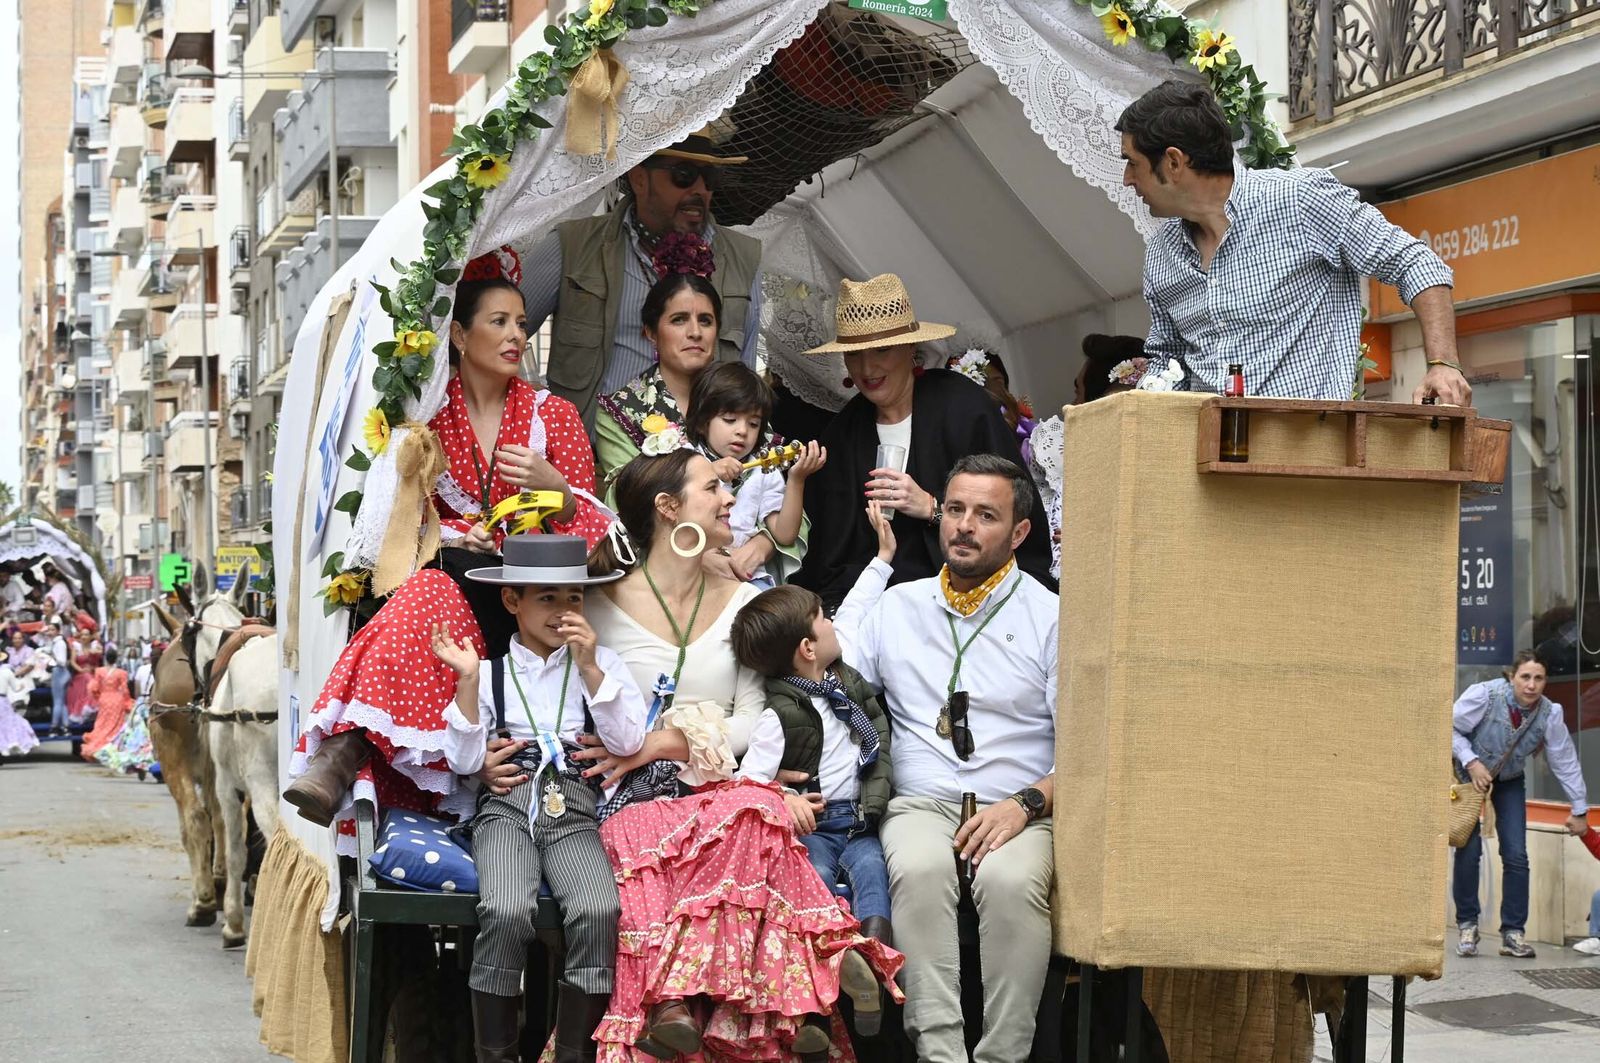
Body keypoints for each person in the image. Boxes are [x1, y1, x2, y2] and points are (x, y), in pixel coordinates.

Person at [546, 450, 901, 1060]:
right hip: (635, 799)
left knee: (751, 820)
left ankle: (770, 1003)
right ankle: (713, 998)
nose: (731, 497)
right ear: (668, 508)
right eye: (713, 487)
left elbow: (754, 720)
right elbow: (574, 707)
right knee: (699, 832)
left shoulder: (744, 602)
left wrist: (666, 741)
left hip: (724, 791)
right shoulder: (596, 603)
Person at [285, 249, 614, 834]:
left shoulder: (554, 416)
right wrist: (461, 534)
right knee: (429, 585)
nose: (516, 336)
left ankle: (341, 753)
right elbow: (396, 532)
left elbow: (595, 539)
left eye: (521, 323)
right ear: (459, 335)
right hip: (453, 600)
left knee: (427, 591)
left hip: (533, 605)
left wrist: (557, 491)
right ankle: (349, 753)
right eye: (499, 322)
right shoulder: (427, 419)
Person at [829, 456, 1057, 1063]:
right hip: (922, 801)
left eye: (986, 515)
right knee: (919, 870)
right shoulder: (898, 607)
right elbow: (833, 681)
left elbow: (1089, 749)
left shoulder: (1052, 617)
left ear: (1019, 533)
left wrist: (1027, 804)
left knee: (1011, 883)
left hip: (1018, 805)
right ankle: (940, 1055)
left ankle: (1004, 1057)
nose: (964, 526)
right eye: (955, 509)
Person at [1116, 79, 1469, 406]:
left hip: (1310, 446)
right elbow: (1168, 359)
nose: (1127, 179)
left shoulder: (1300, 201)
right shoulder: (1161, 253)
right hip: (1210, 451)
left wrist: (1443, 365)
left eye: (1133, 163)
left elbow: (1415, 263)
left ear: (1174, 161)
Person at [431, 535, 648, 1063]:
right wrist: (466, 681)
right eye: (547, 598)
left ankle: (573, 1054)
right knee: (506, 909)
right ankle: (497, 1056)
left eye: (573, 598)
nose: (563, 611)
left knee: (598, 908)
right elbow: (462, 760)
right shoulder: (490, 672)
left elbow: (627, 742)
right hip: (506, 806)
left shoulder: (602, 664)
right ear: (513, 601)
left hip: (574, 810)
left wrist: (591, 666)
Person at [793, 274, 1054, 611]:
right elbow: (828, 556)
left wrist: (932, 508)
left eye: (882, 350)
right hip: (875, 605)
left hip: (970, 593)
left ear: (910, 349)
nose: (867, 368)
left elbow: (1013, 511)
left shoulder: (963, 407)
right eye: (855, 354)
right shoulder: (841, 435)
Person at [523, 128, 764, 427]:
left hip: (701, 454)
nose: (700, 189)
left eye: (710, 178)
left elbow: (746, 387)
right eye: (684, 175)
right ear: (639, 178)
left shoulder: (744, 259)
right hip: (591, 453)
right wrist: (528, 416)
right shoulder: (572, 245)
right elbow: (493, 340)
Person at [729, 583, 895, 1012]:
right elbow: (748, 782)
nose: (832, 622)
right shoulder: (779, 715)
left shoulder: (846, 684)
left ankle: (871, 968)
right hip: (815, 826)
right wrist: (785, 797)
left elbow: (855, 610)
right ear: (807, 648)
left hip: (859, 819)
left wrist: (882, 560)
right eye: (824, 617)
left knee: (874, 873)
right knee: (813, 876)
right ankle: (821, 975)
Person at [1452, 649, 1590, 959]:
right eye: (1525, 677)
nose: (1531, 685)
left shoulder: (1549, 712)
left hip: (1509, 779)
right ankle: (1467, 926)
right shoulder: (1485, 695)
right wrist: (1471, 761)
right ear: (1511, 676)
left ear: (1545, 681)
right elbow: (1447, 727)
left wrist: (1579, 808)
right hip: (1467, 776)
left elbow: (1564, 759)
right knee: (1468, 850)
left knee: (1516, 855)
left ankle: (1513, 933)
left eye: (1538, 678)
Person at [687, 362, 824, 587]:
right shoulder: (685, 457)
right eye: (730, 420)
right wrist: (708, 471)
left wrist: (796, 480)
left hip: (746, 576)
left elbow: (784, 534)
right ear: (702, 423)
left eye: (753, 424)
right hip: (692, 569)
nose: (742, 431)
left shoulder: (764, 469)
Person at [81, 648, 133, 763]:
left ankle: (97, 748)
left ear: (106, 658)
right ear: (116, 659)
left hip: (104, 699)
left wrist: (99, 697)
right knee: (115, 725)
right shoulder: (122, 673)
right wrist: (128, 702)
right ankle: (113, 749)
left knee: (102, 724)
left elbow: (93, 687)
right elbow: (125, 690)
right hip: (117, 700)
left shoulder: (99, 671)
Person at [0, 658, 39, 758]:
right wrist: (22, 686)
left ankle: (4, 746)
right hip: (3, 701)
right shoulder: (7, 672)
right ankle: (10, 744)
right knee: (9, 723)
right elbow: (16, 688)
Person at [45, 623, 71, 737]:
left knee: (57, 702)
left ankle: (54, 727)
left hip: (58, 672)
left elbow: (62, 661)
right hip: (62, 672)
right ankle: (65, 727)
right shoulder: (56, 642)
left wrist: (52, 657)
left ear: (58, 631)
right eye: (49, 630)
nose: (50, 632)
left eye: (52, 630)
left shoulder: (59, 643)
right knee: (62, 702)